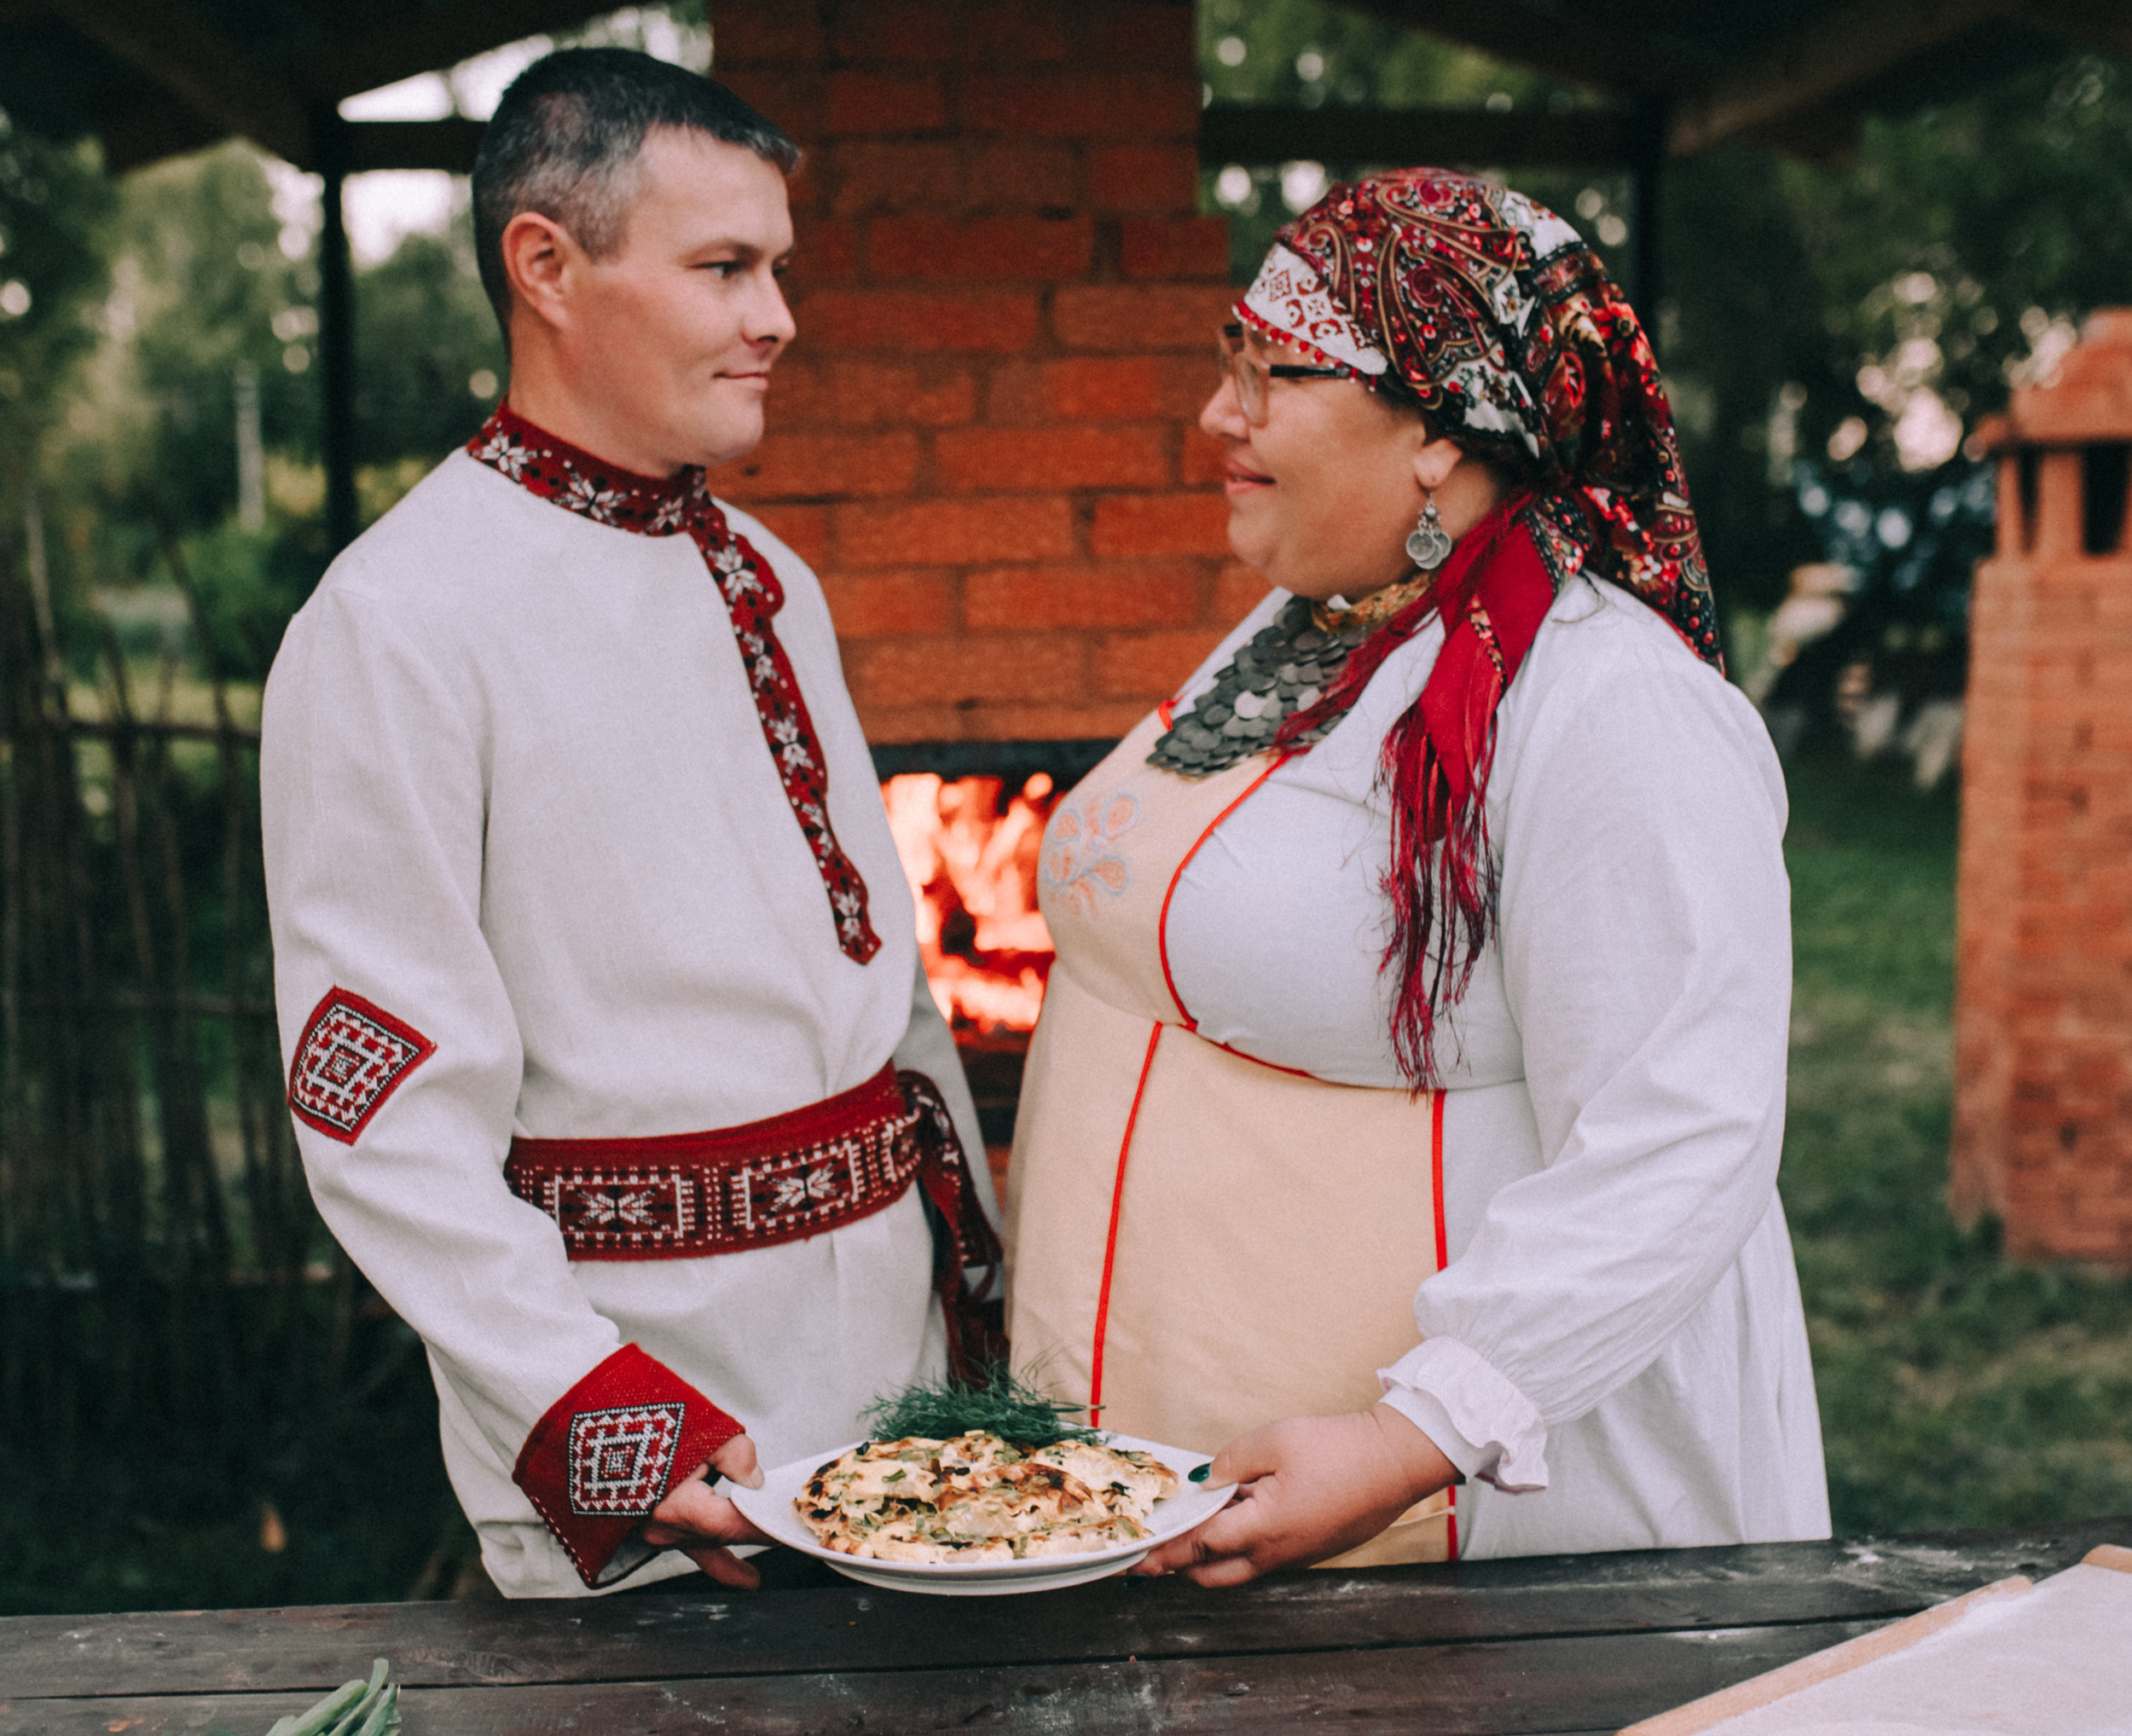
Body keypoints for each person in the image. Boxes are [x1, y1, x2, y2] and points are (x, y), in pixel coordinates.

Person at [1005, 169, 1826, 1583]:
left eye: (1272, 375)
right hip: (1196, 1488)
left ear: (1443, 429)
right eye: (1226, 362)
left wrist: (1416, 1436)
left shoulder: (1611, 706)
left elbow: (1681, 1135)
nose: (1217, 416)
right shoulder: (1316, 627)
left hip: (1461, 1534)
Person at [262, 49, 997, 1600]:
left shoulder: (772, 579)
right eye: (724, 268)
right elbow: (376, 1112)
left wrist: (985, 1310)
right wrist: (614, 1427)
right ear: (546, 266)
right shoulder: (394, 622)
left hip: (905, 1386)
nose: (777, 317)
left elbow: (893, 1002)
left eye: (778, 268)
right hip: (662, 1421)